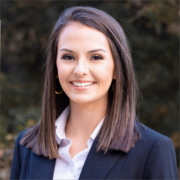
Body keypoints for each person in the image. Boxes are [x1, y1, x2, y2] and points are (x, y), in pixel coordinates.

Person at [10, 6, 178, 180]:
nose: (80, 70)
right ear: (55, 66)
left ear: (116, 69)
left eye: (96, 57)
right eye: (68, 57)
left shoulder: (152, 149)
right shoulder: (27, 146)